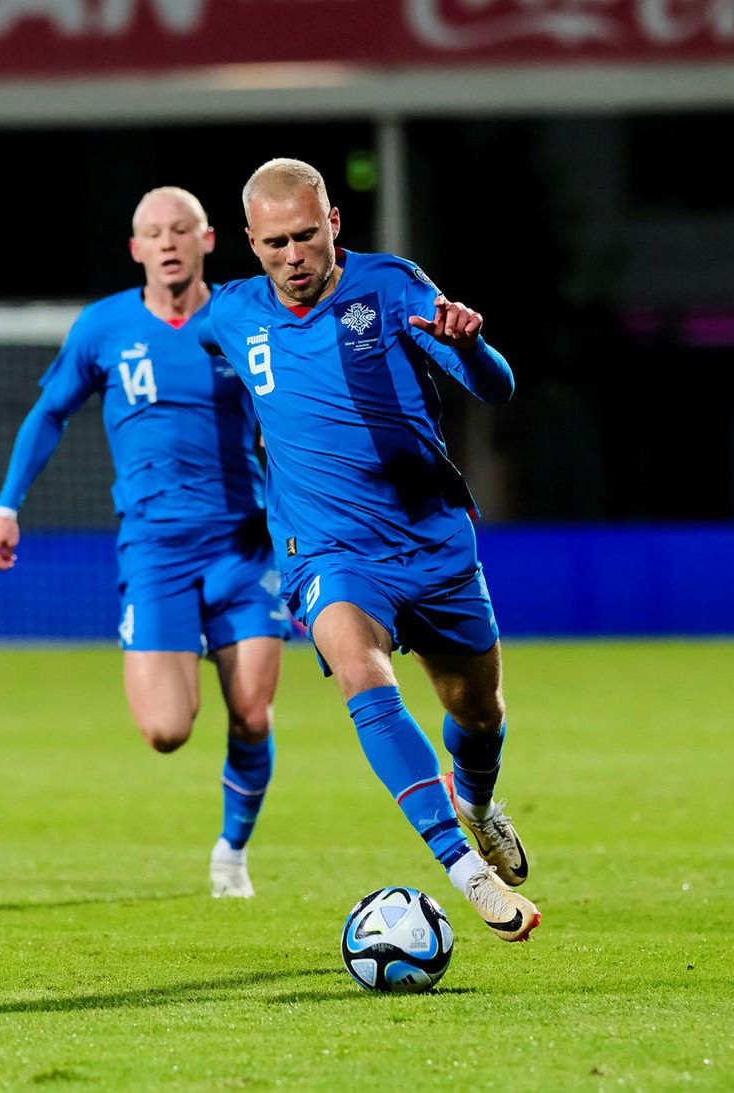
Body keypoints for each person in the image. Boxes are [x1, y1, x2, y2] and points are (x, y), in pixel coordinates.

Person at [198, 158, 539, 943]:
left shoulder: (391, 287)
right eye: (276, 242)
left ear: (333, 224)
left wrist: (476, 347)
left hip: (431, 540)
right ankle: (463, 866)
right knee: (360, 668)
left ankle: (479, 803)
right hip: (327, 550)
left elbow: (495, 388)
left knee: (478, 712)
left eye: (306, 236)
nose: (293, 256)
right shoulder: (233, 314)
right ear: (250, 242)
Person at [0, 186, 290, 898]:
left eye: (181, 228)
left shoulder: (244, 317)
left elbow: (292, 418)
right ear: (136, 248)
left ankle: (231, 854)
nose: (168, 241)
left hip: (243, 548)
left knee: (251, 712)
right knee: (165, 730)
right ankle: (183, 661)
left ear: (208, 239)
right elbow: (49, 412)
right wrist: (6, 506)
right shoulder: (105, 327)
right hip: (154, 551)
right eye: (153, 231)